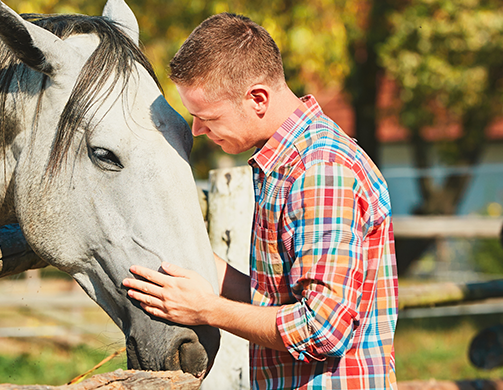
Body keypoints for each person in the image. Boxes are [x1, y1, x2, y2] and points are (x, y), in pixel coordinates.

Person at [121, 12, 399, 390]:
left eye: (207, 117)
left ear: (257, 98)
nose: (199, 131)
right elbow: (277, 297)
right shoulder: (286, 164)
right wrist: (199, 261)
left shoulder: (319, 171)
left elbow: (324, 328)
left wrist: (207, 309)